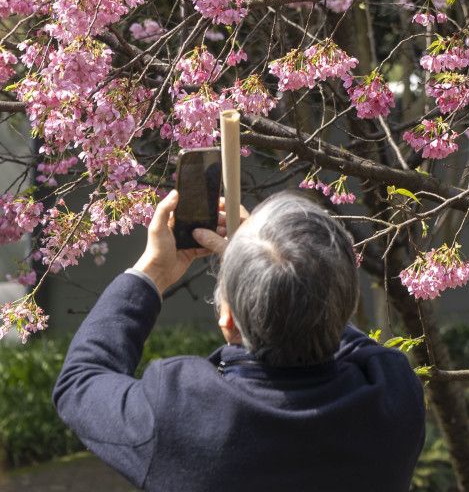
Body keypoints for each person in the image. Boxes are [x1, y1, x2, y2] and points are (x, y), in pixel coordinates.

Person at [52, 189, 426, 491]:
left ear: (227, 319)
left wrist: (152, 272)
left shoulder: (180, 412)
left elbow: (81, 381)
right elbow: (335, 320)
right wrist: (274, 260)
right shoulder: (393, 397)